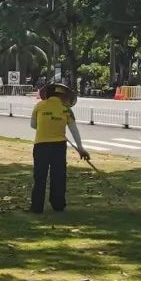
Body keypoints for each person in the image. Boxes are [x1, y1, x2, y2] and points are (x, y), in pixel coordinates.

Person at [29, 83, 89, 214]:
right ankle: (58, 205)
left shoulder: (39, 106)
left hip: (41, 146)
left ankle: (37, 207)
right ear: (63, 96)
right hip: (59, 147)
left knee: (39, 176)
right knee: (58, 176)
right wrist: (80, 148)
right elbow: (74, 130)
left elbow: (33, 125)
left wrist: (47, 126)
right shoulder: (66, 109)